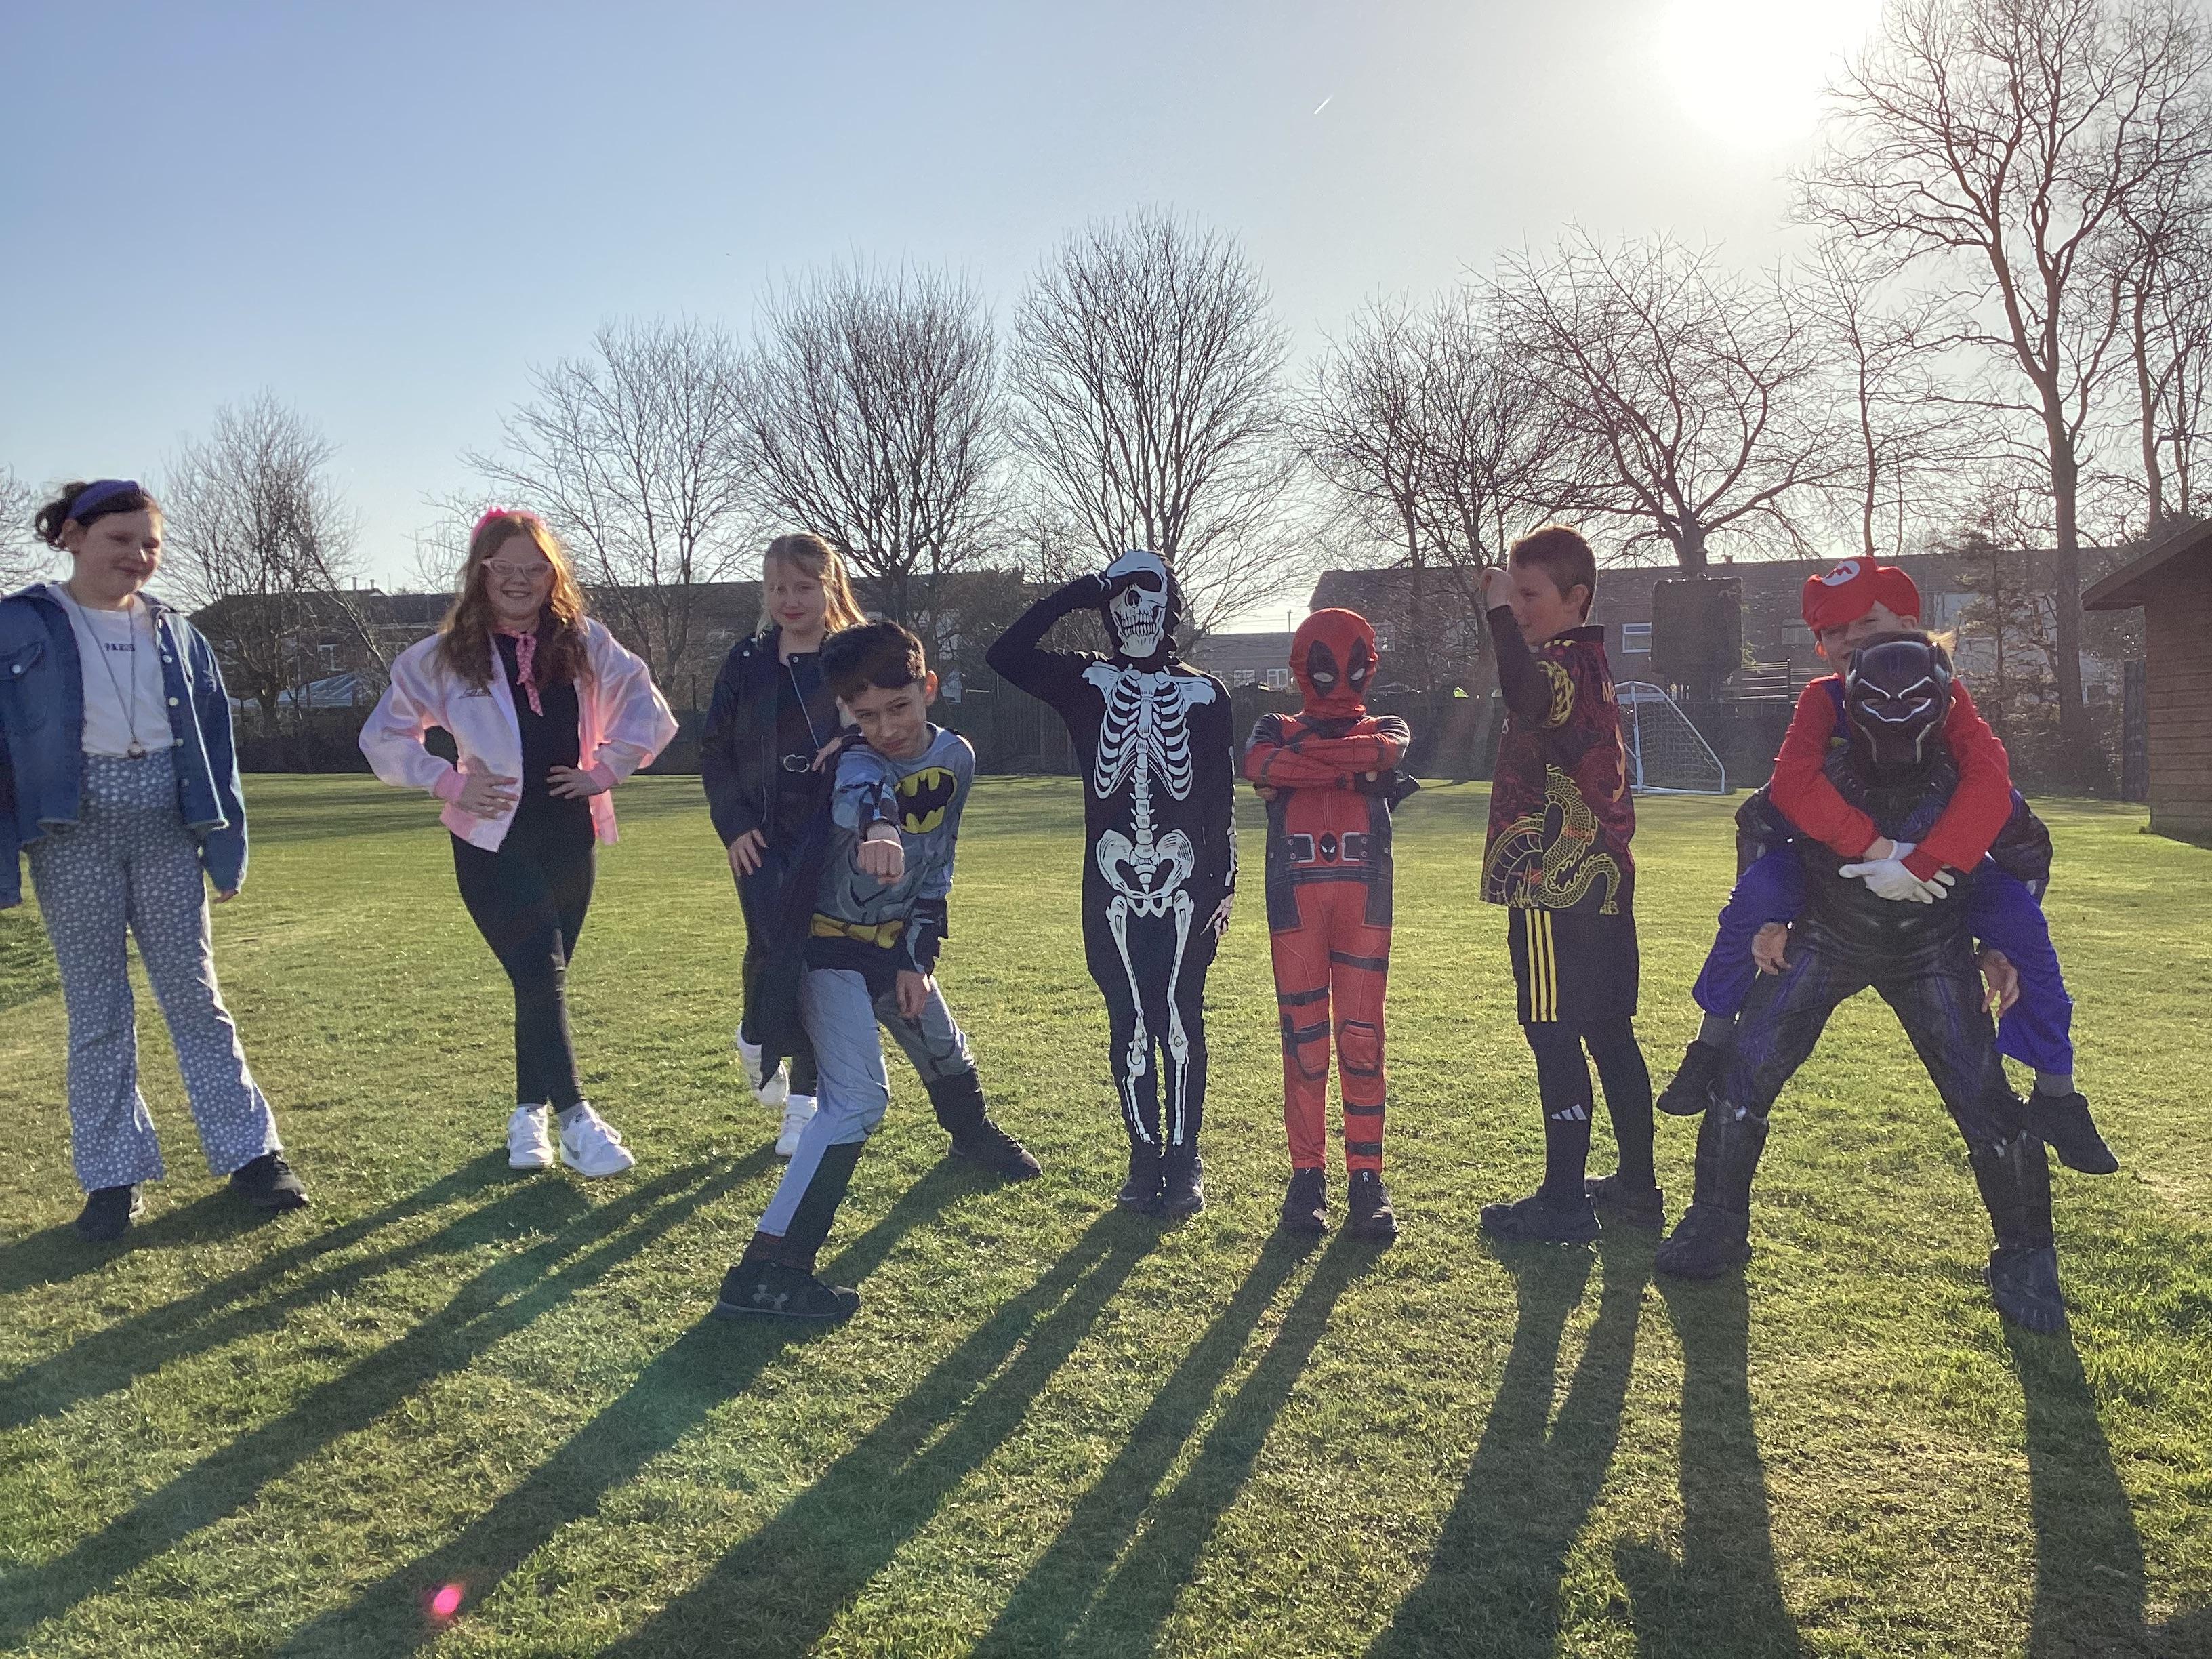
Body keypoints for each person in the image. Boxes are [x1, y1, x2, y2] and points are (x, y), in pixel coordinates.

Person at [1654, 633, 2071, 1334]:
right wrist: (1770, 916)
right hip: (1825, 937)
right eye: (1880, 700)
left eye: (1914, 701)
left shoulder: (1969, 784)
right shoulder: (1823, 775)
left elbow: (2029, 850)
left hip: (1933, 952)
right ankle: (1716, 1219)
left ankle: (2028, 1252)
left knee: (1983, 1097)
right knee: (1748, 1068)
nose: (1897, 716)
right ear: (1852, 703)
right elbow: (1758, 825)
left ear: (1942, 704)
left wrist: (1997, 942)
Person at [1658, 557, 2115, 1176]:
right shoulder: (1822, 699)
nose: (1851, 639)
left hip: (1941, 883)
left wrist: (1926, 865)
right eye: (1834, 630)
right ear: (1820, 645)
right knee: (1753, 899)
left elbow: (1989, 786)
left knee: (2026, 932)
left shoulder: (1947, 693)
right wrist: (1878, 850)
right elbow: (1789, 788)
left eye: (1866, 622)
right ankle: (1711, 1043)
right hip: (1834, 876)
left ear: (1909, 623)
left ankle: (2057, 1093)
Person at [0, 478, 306, 1241]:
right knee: (97, 1010)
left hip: (169, 829)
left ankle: (252, 1155)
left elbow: (216, 745)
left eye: (150, 544)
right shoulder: (18, 624)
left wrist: (226, 844)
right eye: (120, 540)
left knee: (196, 997)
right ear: (72, 536)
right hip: (71, 834)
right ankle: (113, 1178)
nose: (138, 556)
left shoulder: (180, 633)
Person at [714, 622, 1039, 1321]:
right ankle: (765, 1273)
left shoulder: (956, 757)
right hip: (826, 950)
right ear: (845, 713)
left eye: (899, 707)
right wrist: (880, 828)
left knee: (943, 1044)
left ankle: (972, 1137)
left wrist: (917, 958)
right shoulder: (851, 763)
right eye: (865, 715)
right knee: (858, 1100)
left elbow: (939, 861)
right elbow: (863, 795)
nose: (886, 728)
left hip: (893, 946)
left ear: (929, 689)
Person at [360, 508, 677, 1176]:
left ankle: (527, 1115)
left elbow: (648, 708)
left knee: (543, 981)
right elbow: (382, 736)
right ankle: (578, 1121)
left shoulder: (585, 643)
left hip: (569, 835)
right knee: (539, 970)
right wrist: (446, 781)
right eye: (505, 567)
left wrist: (605, 770)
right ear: (482, 571)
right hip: (490, 841)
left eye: (535, 569)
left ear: (552, 575)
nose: (519, 580)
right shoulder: (443, 656)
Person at [985, 551, 1237, 1218]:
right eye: (1117, 597)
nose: (1131, 609)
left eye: (1144, 593)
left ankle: (1184, 1160)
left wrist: (1226, 885)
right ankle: (1143, 1157)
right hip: (1109, 880)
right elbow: (1003, 656)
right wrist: (1071, 595)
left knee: (1179, 1018)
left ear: (1170, 605)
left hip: (1187, 882)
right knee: (1127, 1020)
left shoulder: (1206, 694)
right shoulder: (1085, 684)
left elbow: (1220, 800)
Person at [1475, 526, 1661, 1243]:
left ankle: (1562, 1204)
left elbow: (1525, 694)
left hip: (1553, 885)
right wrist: (1509, 609)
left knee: (1553, 1032)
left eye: (1532, 595)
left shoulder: (1559, 664)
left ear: (1576, 598)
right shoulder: (1592, 662)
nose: (1520, 608)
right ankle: (1637, 1189)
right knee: (1610, 1032)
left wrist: (1496, 612)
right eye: (1515, 595)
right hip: (1604, 885)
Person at [1244, 609, 1417, 1240]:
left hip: (1363, 899)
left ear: (1370, 664)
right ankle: (1307, 1176)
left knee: (1363, 1037)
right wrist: (1356, 779)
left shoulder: (1385, 726)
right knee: (1304, 1041)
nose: (1338, 677)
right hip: (1296, 901)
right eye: (1324, 665)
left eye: (1352, 663)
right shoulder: (1273, 726)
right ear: (1301, 666)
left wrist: (1313, 766)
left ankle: (1366, 1178)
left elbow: (1381, 752)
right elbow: (1260, 766)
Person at [700, 533, 866, 1157]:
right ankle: (755, 1033)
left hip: (831, 832)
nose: (789, 600)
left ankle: (803, 1106)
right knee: (769, 949)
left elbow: (886, 725)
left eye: (802, 587)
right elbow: (714, 750)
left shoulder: (853, 656)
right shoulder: (746, 661)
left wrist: (850, 742)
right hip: (761, 835)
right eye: (776, 588)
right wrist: (734, 824)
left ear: (830, 587)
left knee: (815, 960)